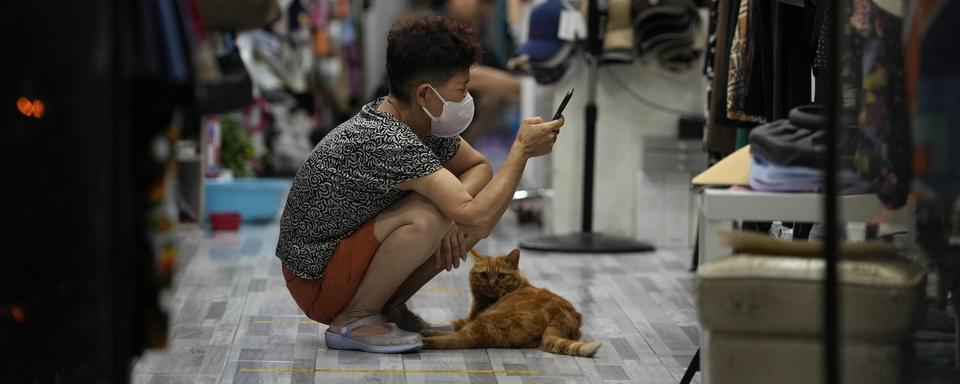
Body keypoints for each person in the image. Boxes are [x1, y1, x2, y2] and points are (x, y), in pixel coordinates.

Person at [275, 16, 564, 353]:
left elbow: (479, 167)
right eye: (462, 87)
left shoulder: (419, 122)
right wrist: (521, 151)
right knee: (428, 218)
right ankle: (355, 318)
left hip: (340, 262)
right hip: (314, 280)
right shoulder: (386, 138)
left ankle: (388, 309)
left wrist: (455, 213)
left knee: (450, 217)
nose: (467, 97)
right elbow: (475, 213)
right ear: (426, 94)